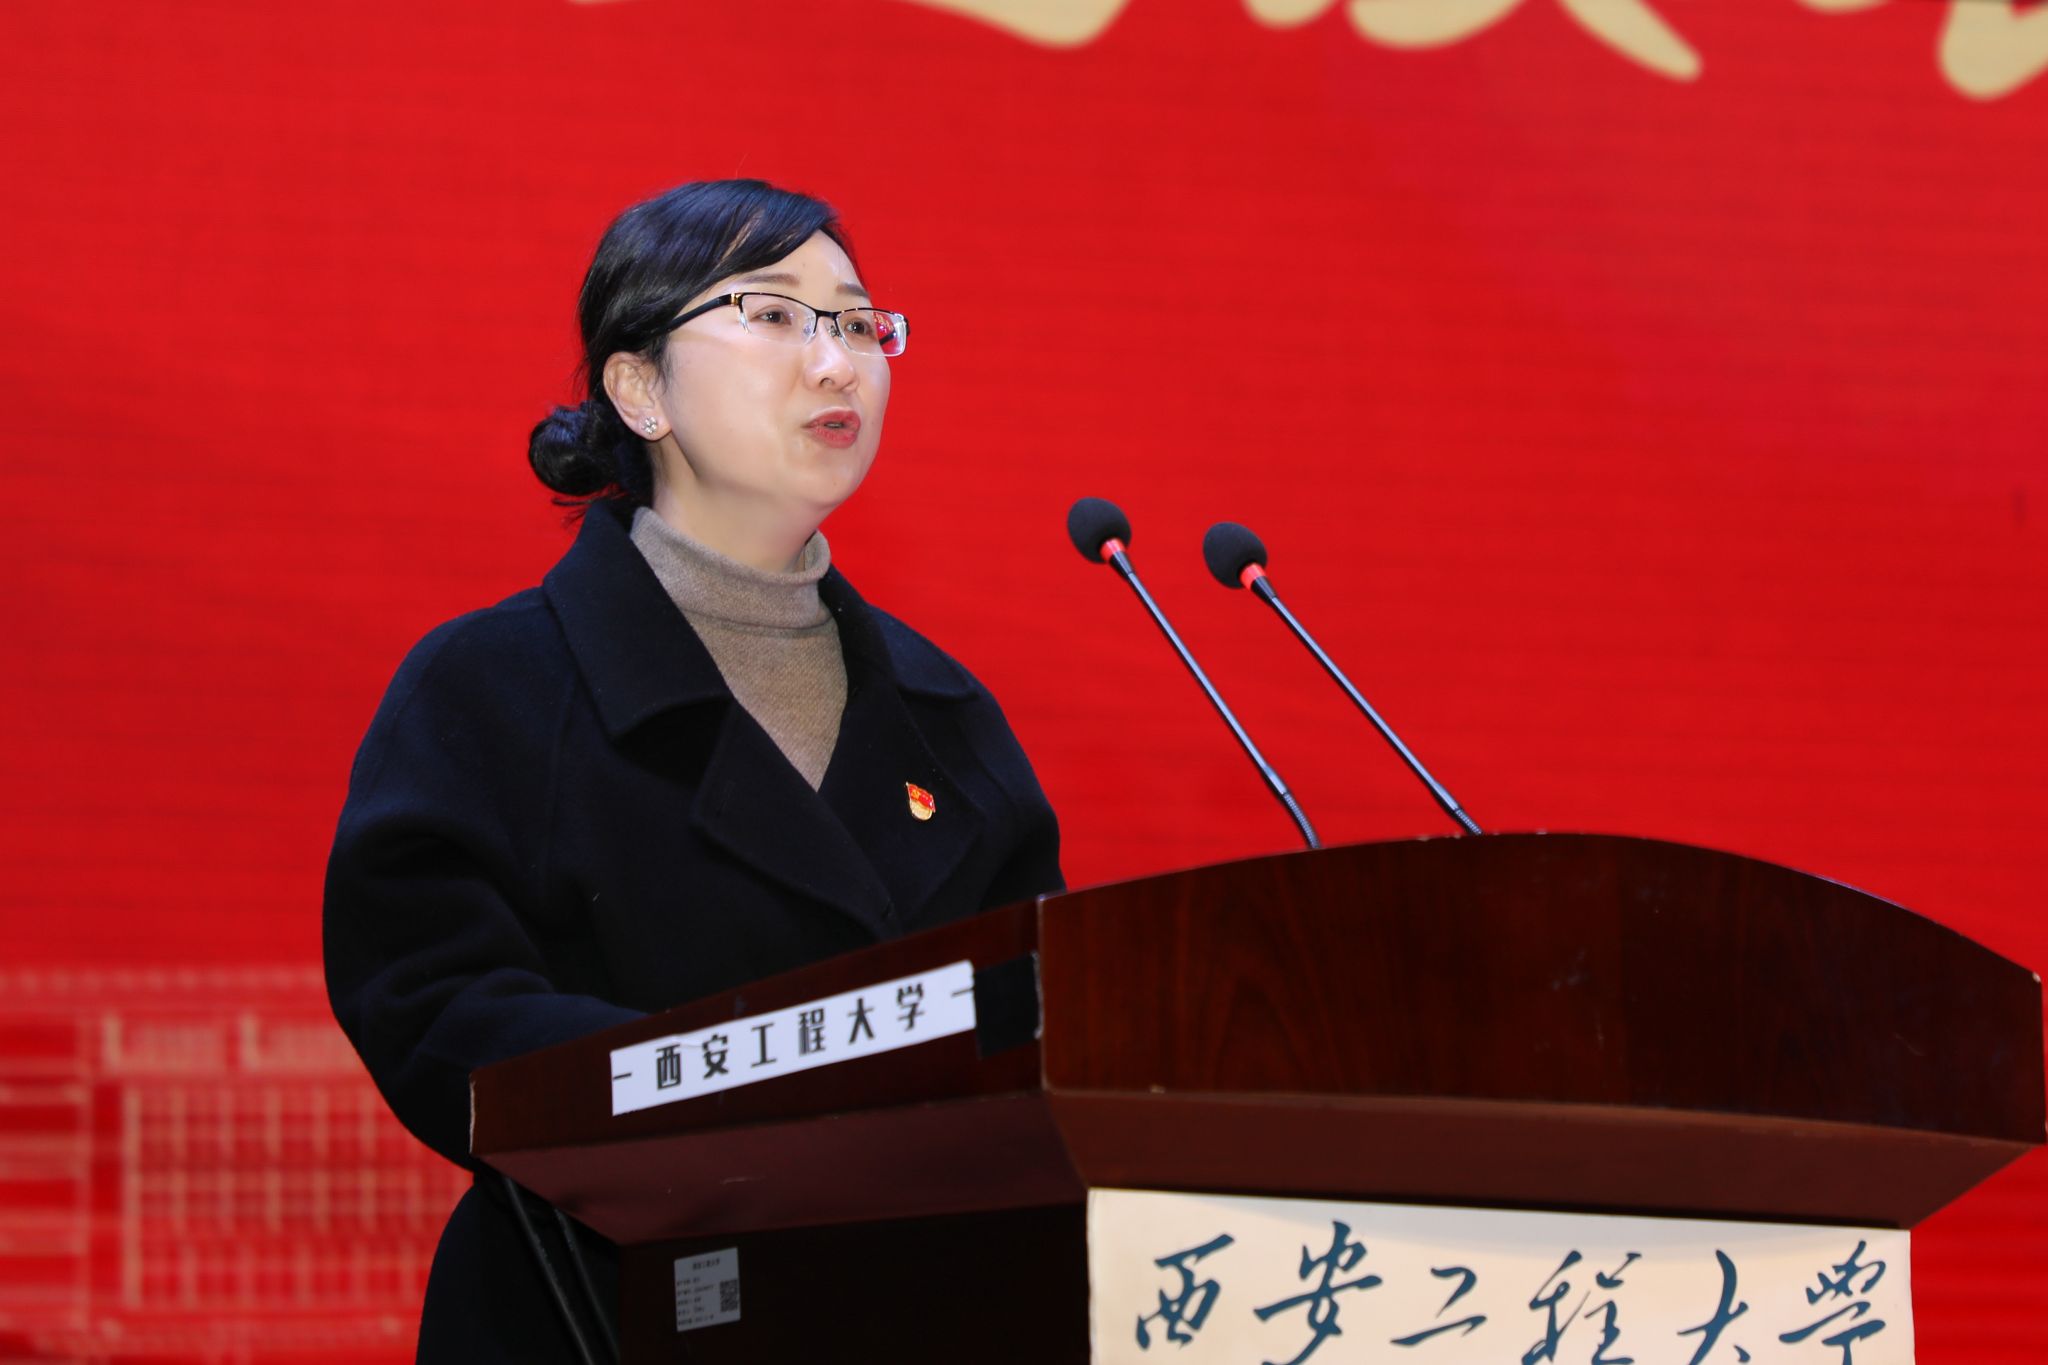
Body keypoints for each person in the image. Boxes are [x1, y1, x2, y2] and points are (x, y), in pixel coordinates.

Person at [323, 179, 1063, 1360]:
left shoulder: (943, 712)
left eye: (858, 323)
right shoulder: (493, 685)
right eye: (773, 315)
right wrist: (741, 1101)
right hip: (596, 1309)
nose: (837, 364)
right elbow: (429, 1001)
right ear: (640, 388)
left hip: (903, 1312)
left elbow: (1041, 1020)